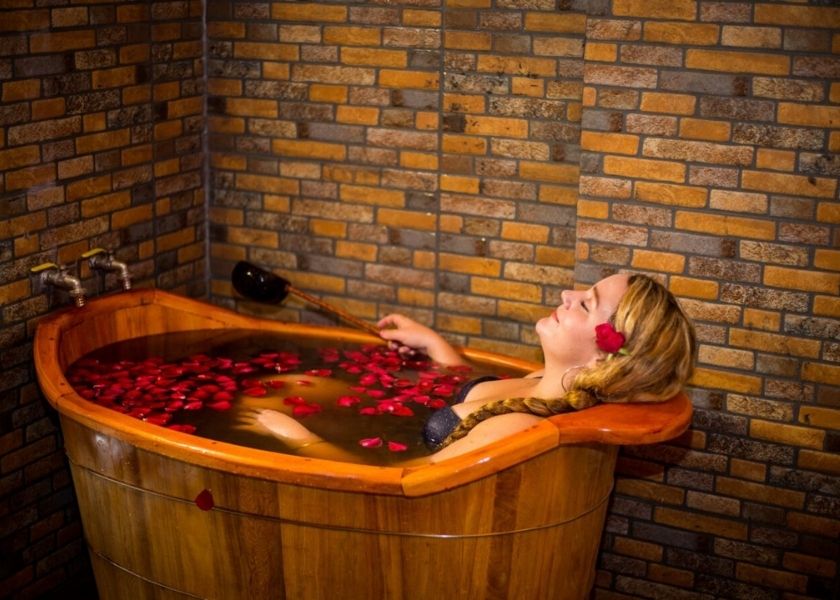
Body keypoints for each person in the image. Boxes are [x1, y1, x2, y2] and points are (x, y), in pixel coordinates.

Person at [244, 273, 696, 462]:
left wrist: (298, 437)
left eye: (587, 303)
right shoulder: (545, 384)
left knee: (260, 397)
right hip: (399, 432)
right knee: (284, 384)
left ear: (603, 355)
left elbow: (399, 483)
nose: (567, 295)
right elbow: (471, 393)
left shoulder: (520, 429)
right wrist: (437, 346)